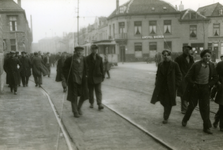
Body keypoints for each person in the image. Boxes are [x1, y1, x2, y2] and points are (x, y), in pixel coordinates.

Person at [182, 49, 218, 134]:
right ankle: (185, 119)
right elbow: (188, 77)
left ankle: (206, 127)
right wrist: (193, 84)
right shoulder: (196, 65)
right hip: (195, 89)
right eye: (205, 56)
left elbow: (216, 77)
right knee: (192, 106)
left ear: (210, 57)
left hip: (205, 89)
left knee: (205, 108)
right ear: (202, 57)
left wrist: (209, 85)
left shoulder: (212, 66)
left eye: (208, 56)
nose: (207, 57)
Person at [151, 49, 182, 124]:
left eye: (167, 55)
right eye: (164, 55)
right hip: (162, 87)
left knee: (168, 103)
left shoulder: (174, 65)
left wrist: (176, 84)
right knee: (162, 101)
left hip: (170, 87)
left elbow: (179, 75)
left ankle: (166, 117)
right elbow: (157, 75)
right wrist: (156, 82)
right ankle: (166, 112)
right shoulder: (160, 65)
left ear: (170, 56)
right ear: (162, 56)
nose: (165, 56)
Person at [63, 47, 88, 118]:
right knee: (74, 96)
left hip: (82, 80)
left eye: (81, 51)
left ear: (83, 52)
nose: (79, 53)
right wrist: (68, 77)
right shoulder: (70, 59)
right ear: (75, 52)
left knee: (84, 95)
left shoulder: (84, 59)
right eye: (78, 51)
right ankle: (75, 111)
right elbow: (64, 69)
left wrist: (86, 76)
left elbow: (87, 68)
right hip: (73, 80)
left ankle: (79, 107)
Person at [175, 46, 194, 114]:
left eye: (189, 50)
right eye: (186, 50)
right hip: (182, 78)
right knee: (183, 93)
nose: (188, 51)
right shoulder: (179, 58)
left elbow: (193, 68)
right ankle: (184, 109)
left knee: (190, 92)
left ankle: (187, 108)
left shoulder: (191, 58)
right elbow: (175, 69)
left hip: (190, 78)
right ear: (183, 50)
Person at [86, 44, 104, 110]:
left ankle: (99, 104)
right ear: (91, 50)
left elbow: (102, 68)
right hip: (90, 78)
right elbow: (85, 68)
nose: (95, 50)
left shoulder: (99, 58)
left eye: (96, 49)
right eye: (93, 49)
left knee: (98, 91)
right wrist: (86, 76)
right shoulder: (87, 58)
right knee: (91, 91)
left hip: (98, 77)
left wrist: (103, 76)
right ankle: (91, 103)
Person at [213, 55, 223, 131]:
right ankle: (222, 126)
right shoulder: (220, 64)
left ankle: (216, 120)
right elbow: (215, 75)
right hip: (222, 88)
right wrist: (218, 82)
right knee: (222, 107)